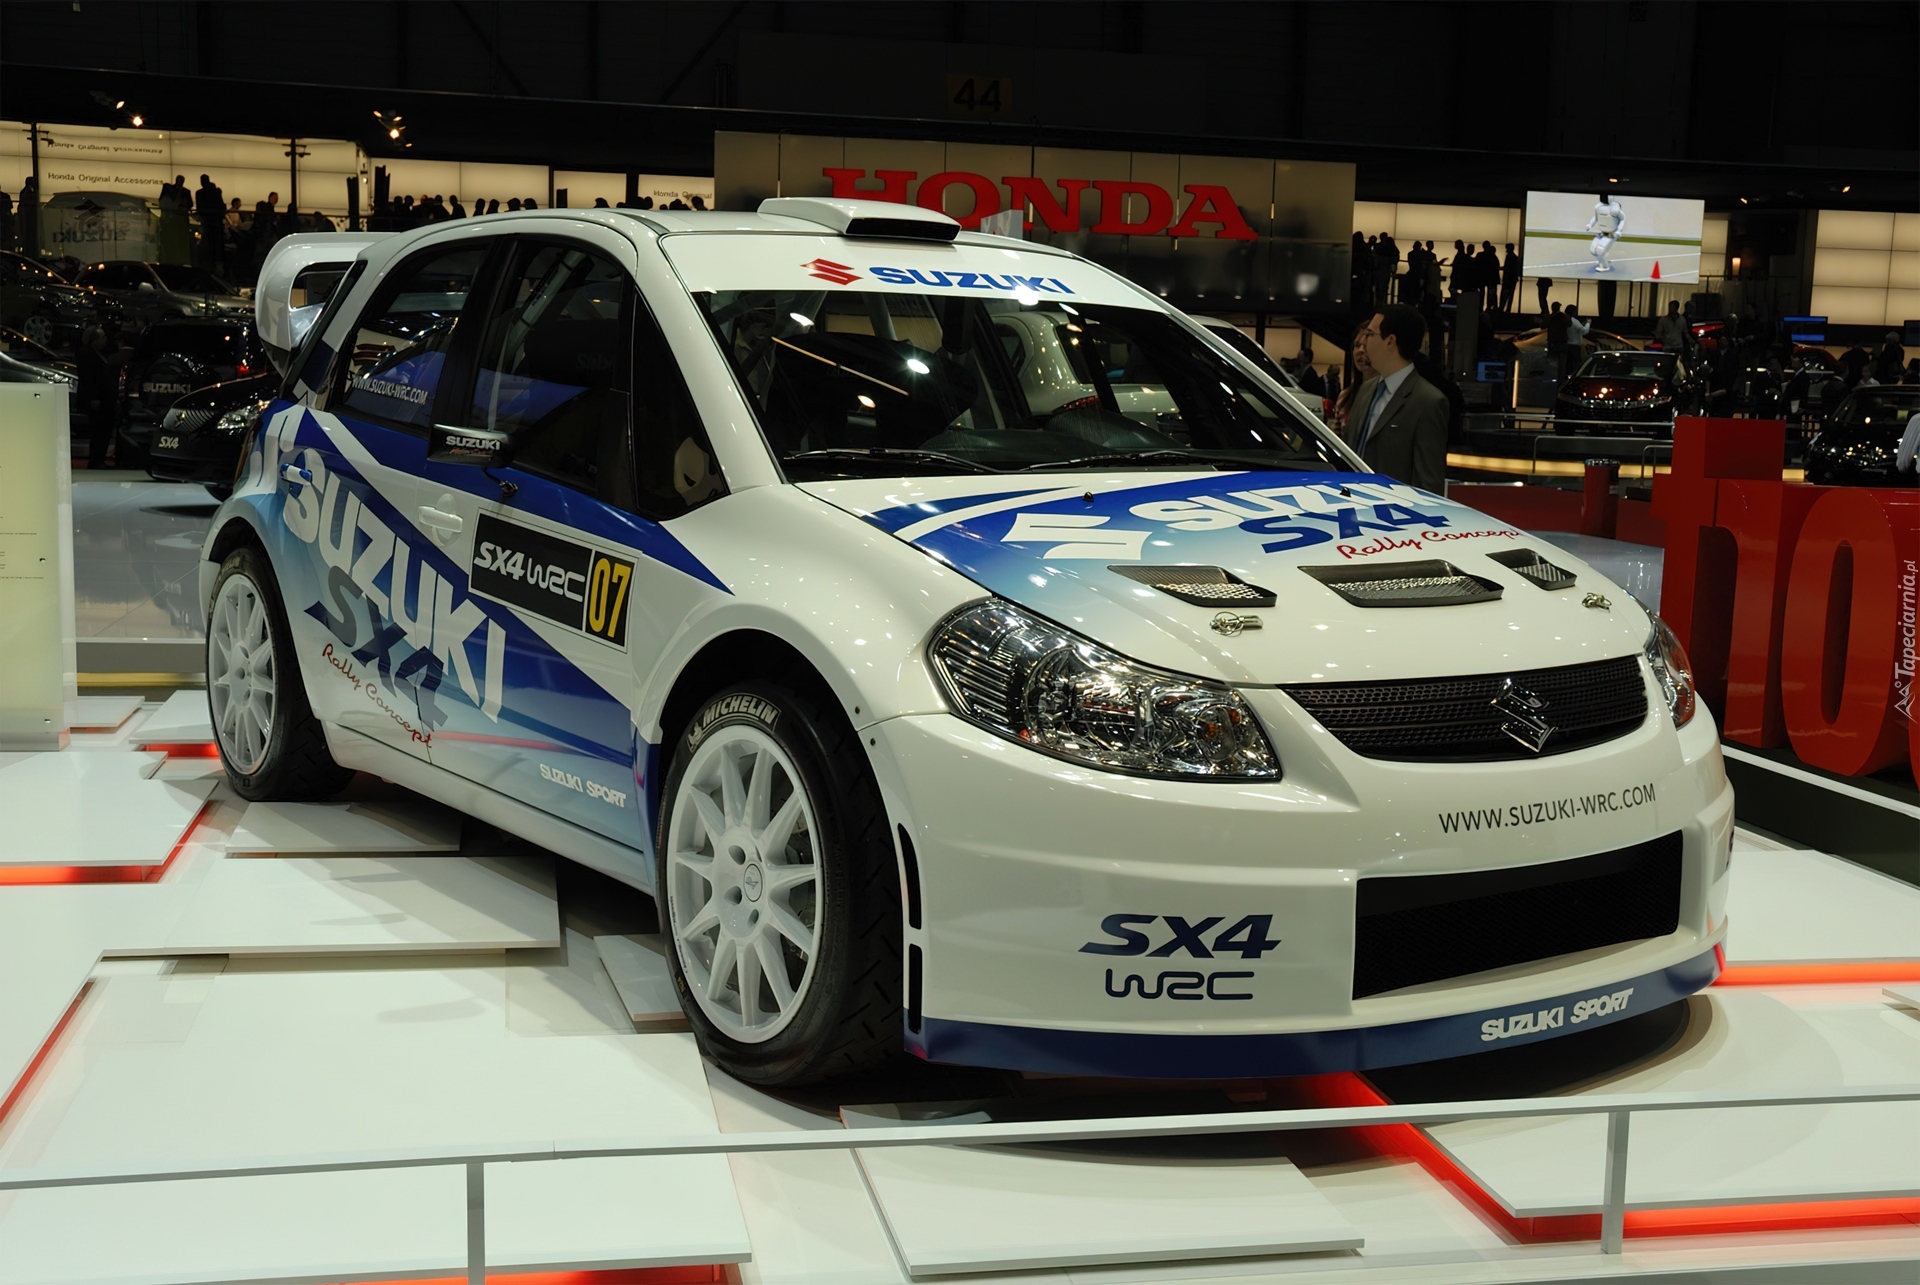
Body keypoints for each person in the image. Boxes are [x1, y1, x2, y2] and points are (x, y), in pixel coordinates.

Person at [1348, 304, 1448, 493]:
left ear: (1390, 341)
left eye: (1370, 334)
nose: (1363, 341)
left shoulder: (1427, 402)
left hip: (1391, 507)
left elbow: (1428, 484)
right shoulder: (1366, 390)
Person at [1586, 192, 1626, 274]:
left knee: (1600, 250)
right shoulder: (1598, 207)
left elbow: (1622, 219)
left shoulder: (1615, 209)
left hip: (1611, 234)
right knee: (1593, 250)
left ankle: (1605, 266)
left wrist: (1619, 230)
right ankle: (1604, 258)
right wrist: (1590, 225)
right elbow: (1596, 217)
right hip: (1602, 233)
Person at [194, 174, 224, 271]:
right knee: (216, 242)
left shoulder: (200, 193)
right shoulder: (215, 192)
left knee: (208, 242)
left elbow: (200, 208)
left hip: (207, 220)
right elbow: (221, 205)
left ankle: (209, 263)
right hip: (214, 220)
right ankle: (216, 263)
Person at [1564, 306, 1590, 375]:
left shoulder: (1564, 320)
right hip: (1574, 346)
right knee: (1576, 366)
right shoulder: (1574, 321)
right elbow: (1583, 331)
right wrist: (1588, 323)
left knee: (1568, 365)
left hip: (1566, 345)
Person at [1499, 243, 1522, 314]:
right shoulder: (1515, 257)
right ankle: (1508, 309)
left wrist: (1501, 268)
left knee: (1505, 295)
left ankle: (1502, 308)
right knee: (1510, 295)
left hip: (1508, 279)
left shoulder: (1509, 257)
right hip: (1513, 279)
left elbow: (1508, 268)